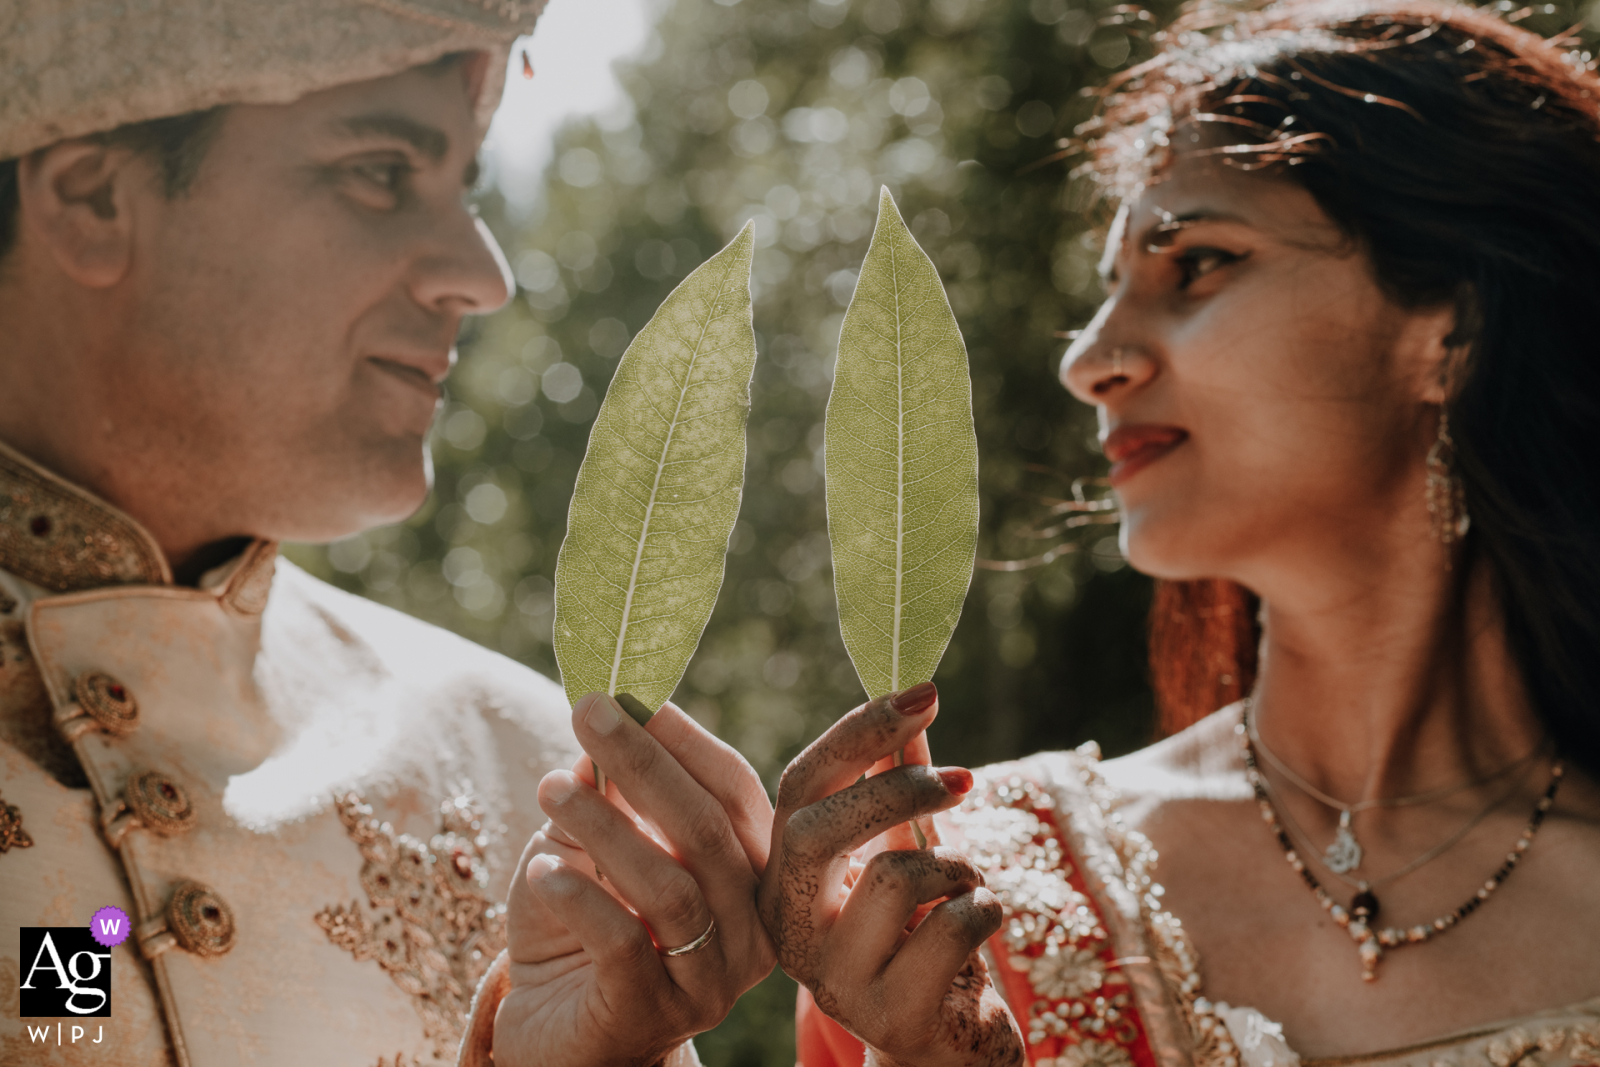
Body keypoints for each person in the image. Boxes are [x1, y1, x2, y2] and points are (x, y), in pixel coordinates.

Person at [759, 1, 1600, 1064]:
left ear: (1454, 330)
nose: (1089, 359)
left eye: (1197, 263)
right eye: (1107, 290)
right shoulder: (952, 908)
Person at [0, 3, 771, 1064]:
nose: (483, 273)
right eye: (380, 172)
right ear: (90, 198)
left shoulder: (521, 767)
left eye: (464, 187)